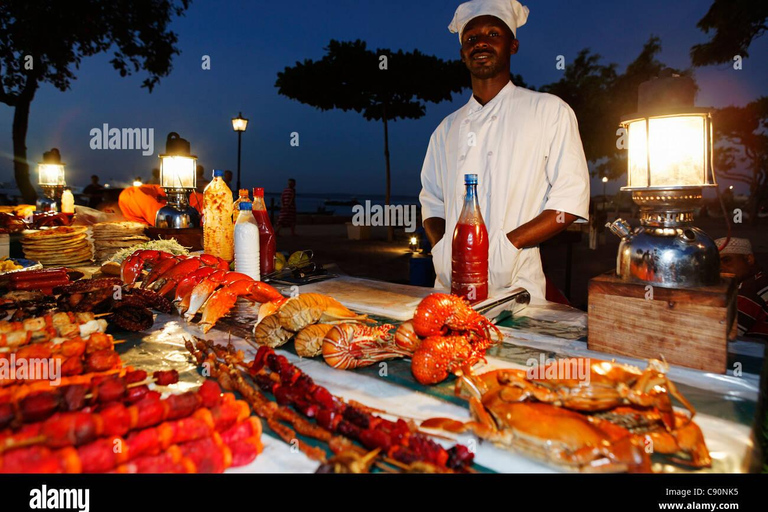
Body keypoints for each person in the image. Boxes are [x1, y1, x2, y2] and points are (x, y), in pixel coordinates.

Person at [419, 0, 590, 301]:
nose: (481, 42)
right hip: (447, 294)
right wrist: (444, 245)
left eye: (493, 34)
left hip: (517, 292)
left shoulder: (548, 111)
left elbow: (569, 201)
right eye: (471, 38)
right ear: (462, 53)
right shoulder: (445, 129)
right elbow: (431, 202)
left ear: (513, 45)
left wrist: (507, 245)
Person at [717, 237, 768, 341]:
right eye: (717, 263)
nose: (720, 267)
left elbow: (721, 336)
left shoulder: (750, 291)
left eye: (726, 260)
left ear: (749, 259)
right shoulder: (761, 280)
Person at [118, 184, 203, 226]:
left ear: (109, 210)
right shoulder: (131, 213)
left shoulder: (128, 196)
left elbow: (164, 222)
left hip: (206, 210)